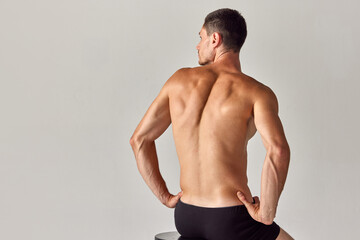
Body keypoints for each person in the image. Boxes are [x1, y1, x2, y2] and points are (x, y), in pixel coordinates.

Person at [130, 8, 293, 240]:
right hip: (231, 218)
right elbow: (277, 150)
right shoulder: (257, 93)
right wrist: (266, 212)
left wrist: (165, 197)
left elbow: (139, 140)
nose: (198, 45)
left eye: (201, 37)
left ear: (215, 39)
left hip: (186, 216)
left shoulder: (178, 81)